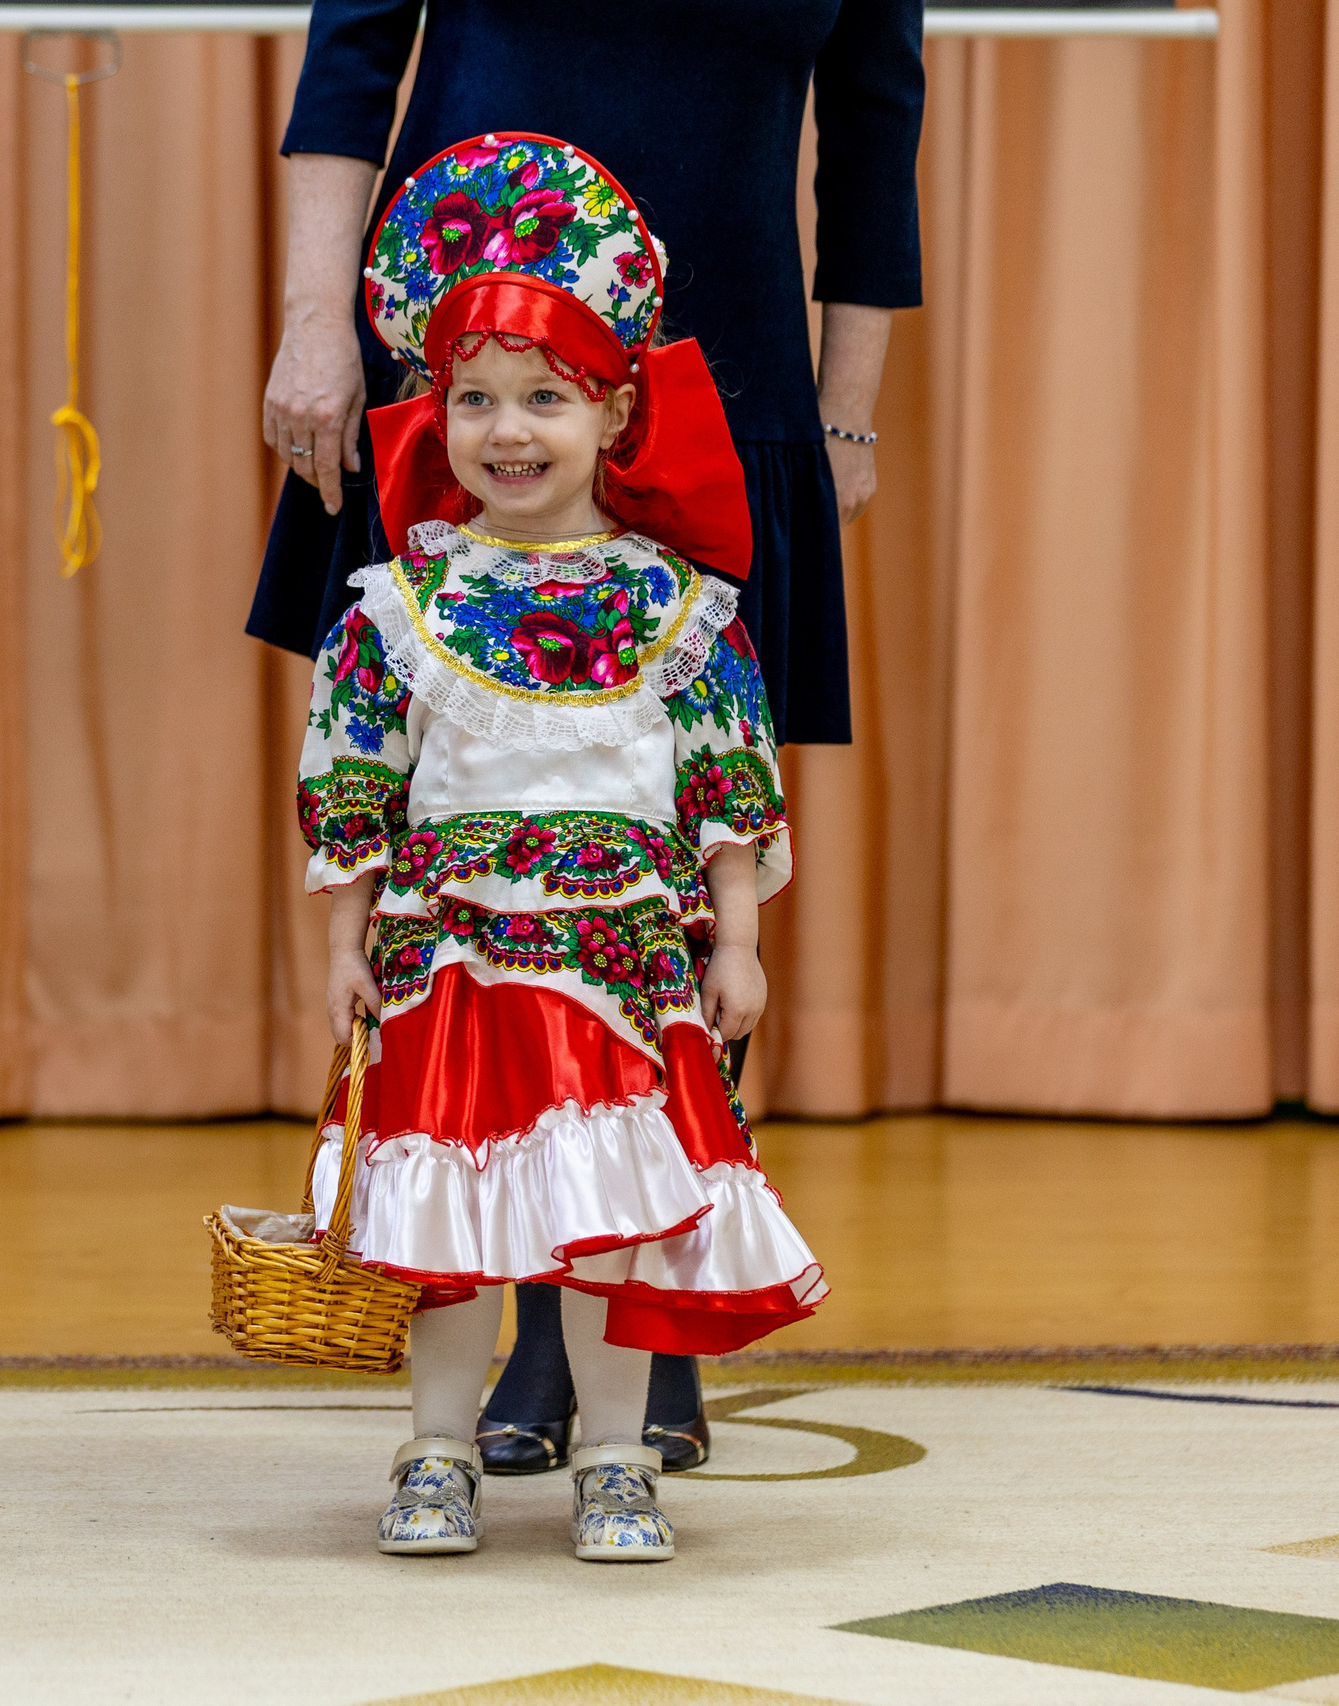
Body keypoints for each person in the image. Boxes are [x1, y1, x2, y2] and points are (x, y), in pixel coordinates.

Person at [257, 0, 922, 1472]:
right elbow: (349, 58)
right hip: (469, 351)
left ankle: (634, 1320)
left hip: (728, 358)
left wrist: (848, 413)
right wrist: (316, 323)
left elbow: (877, 121)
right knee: (474, 800)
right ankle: (525, 1325)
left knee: (669, 831)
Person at [298, 134, 825, 1562]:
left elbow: (730, 782)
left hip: (620, 971)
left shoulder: (677, 604)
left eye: (545, 397)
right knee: (449, 1224)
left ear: (617, 411)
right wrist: (344, 945)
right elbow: (353, 778)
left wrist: (743, 942)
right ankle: (435, 1448)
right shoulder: (403, 601)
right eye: (473, 397)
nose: (506, 430)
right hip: (453, 963)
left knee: (613, 1225)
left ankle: (613, 1455)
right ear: (437, 410)